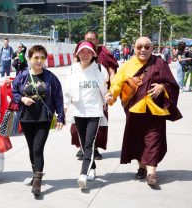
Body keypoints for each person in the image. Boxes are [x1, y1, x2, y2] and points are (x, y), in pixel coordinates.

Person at [105, 37, 182, 187]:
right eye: (139, 46)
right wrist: (110, 95)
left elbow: (172, 84)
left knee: (153, 140)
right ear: (134, 48)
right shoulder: (127, 65)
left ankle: (152, 173)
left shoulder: (159, 63)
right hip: (134, 111)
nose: (143, 50)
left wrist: (162, 87)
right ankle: (142, 167)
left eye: (147, 47)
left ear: (152, 48)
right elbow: (117, 84)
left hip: (155, 111)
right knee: (138, 140)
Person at [12, 45, 65, 197]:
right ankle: (36, 173)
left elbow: (58, 97)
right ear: (29, 59)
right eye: (36, 57)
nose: (39, 60)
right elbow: (14, 92)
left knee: (37, 148)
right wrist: (22, 98)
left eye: (42, 57)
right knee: (31, 149)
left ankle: (37, 182)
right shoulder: (22, 75)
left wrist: (60, 116)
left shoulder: (50, 77)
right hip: (26, 118)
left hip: (44, 119)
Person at [64, 41, 109, 190]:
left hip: (94, 112)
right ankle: (92, 167)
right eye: (82, 52)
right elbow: (68, 91)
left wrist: (107, 98)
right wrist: (64, 109)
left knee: (89, 143)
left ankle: (83, 174)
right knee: (84, 144)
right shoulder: (72, 69)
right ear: (77, 54)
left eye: (88, 52)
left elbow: (105, 89)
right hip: (78, 112)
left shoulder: (100, 69)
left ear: (93, 54)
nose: (85, 55)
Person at [72, 30, 118, 161]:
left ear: (97, 40)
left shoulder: (104, 53)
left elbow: (112, 72)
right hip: (82, 93)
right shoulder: (80, 50)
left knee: (98, 124)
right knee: (79, 124)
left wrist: (112, 90)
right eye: (88, 38)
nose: (90, 40)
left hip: (99, 94)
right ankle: (83, 147)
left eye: (93, 39)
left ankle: (95, 148)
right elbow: (74, 68)